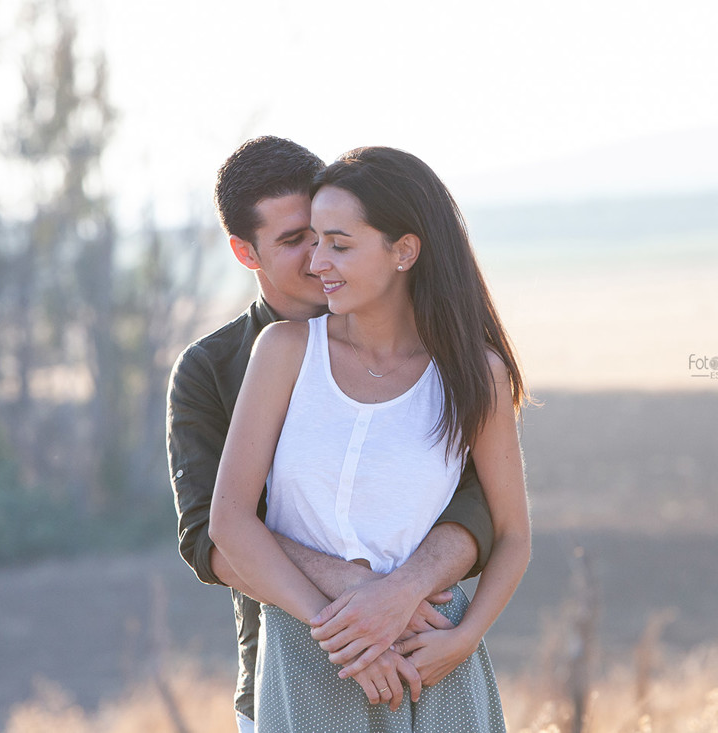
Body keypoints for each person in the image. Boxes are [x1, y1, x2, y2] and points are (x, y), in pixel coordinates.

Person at [167, 137, 497, 733]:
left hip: (428, 659)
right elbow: (211, 541)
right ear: (246, 252)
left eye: (326, 234)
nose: (318, 255)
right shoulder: (211, 369)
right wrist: (359, 606)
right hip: (292, 675)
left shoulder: (436, 360)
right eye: (295, 240)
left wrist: (406, 594)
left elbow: (479, 505)